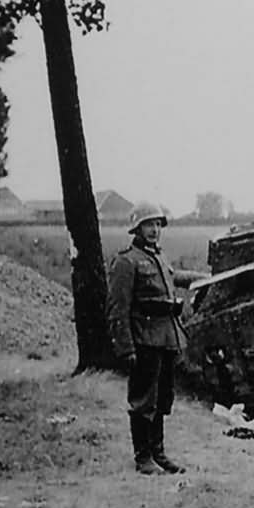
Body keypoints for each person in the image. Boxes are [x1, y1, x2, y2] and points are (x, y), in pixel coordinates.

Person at [107, 202, 207, 475]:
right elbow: (118, 309)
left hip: (166, 338)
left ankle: (158, 453)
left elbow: (174, 279)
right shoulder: (126, 261)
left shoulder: (159, 257)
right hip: (143, 340)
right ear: (137, 228)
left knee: (163, 398)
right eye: (148, 225)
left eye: (157, 225)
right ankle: (143, 458)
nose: (154, 230)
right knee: (143, 400)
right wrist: (126, 347)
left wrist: (205, 279)